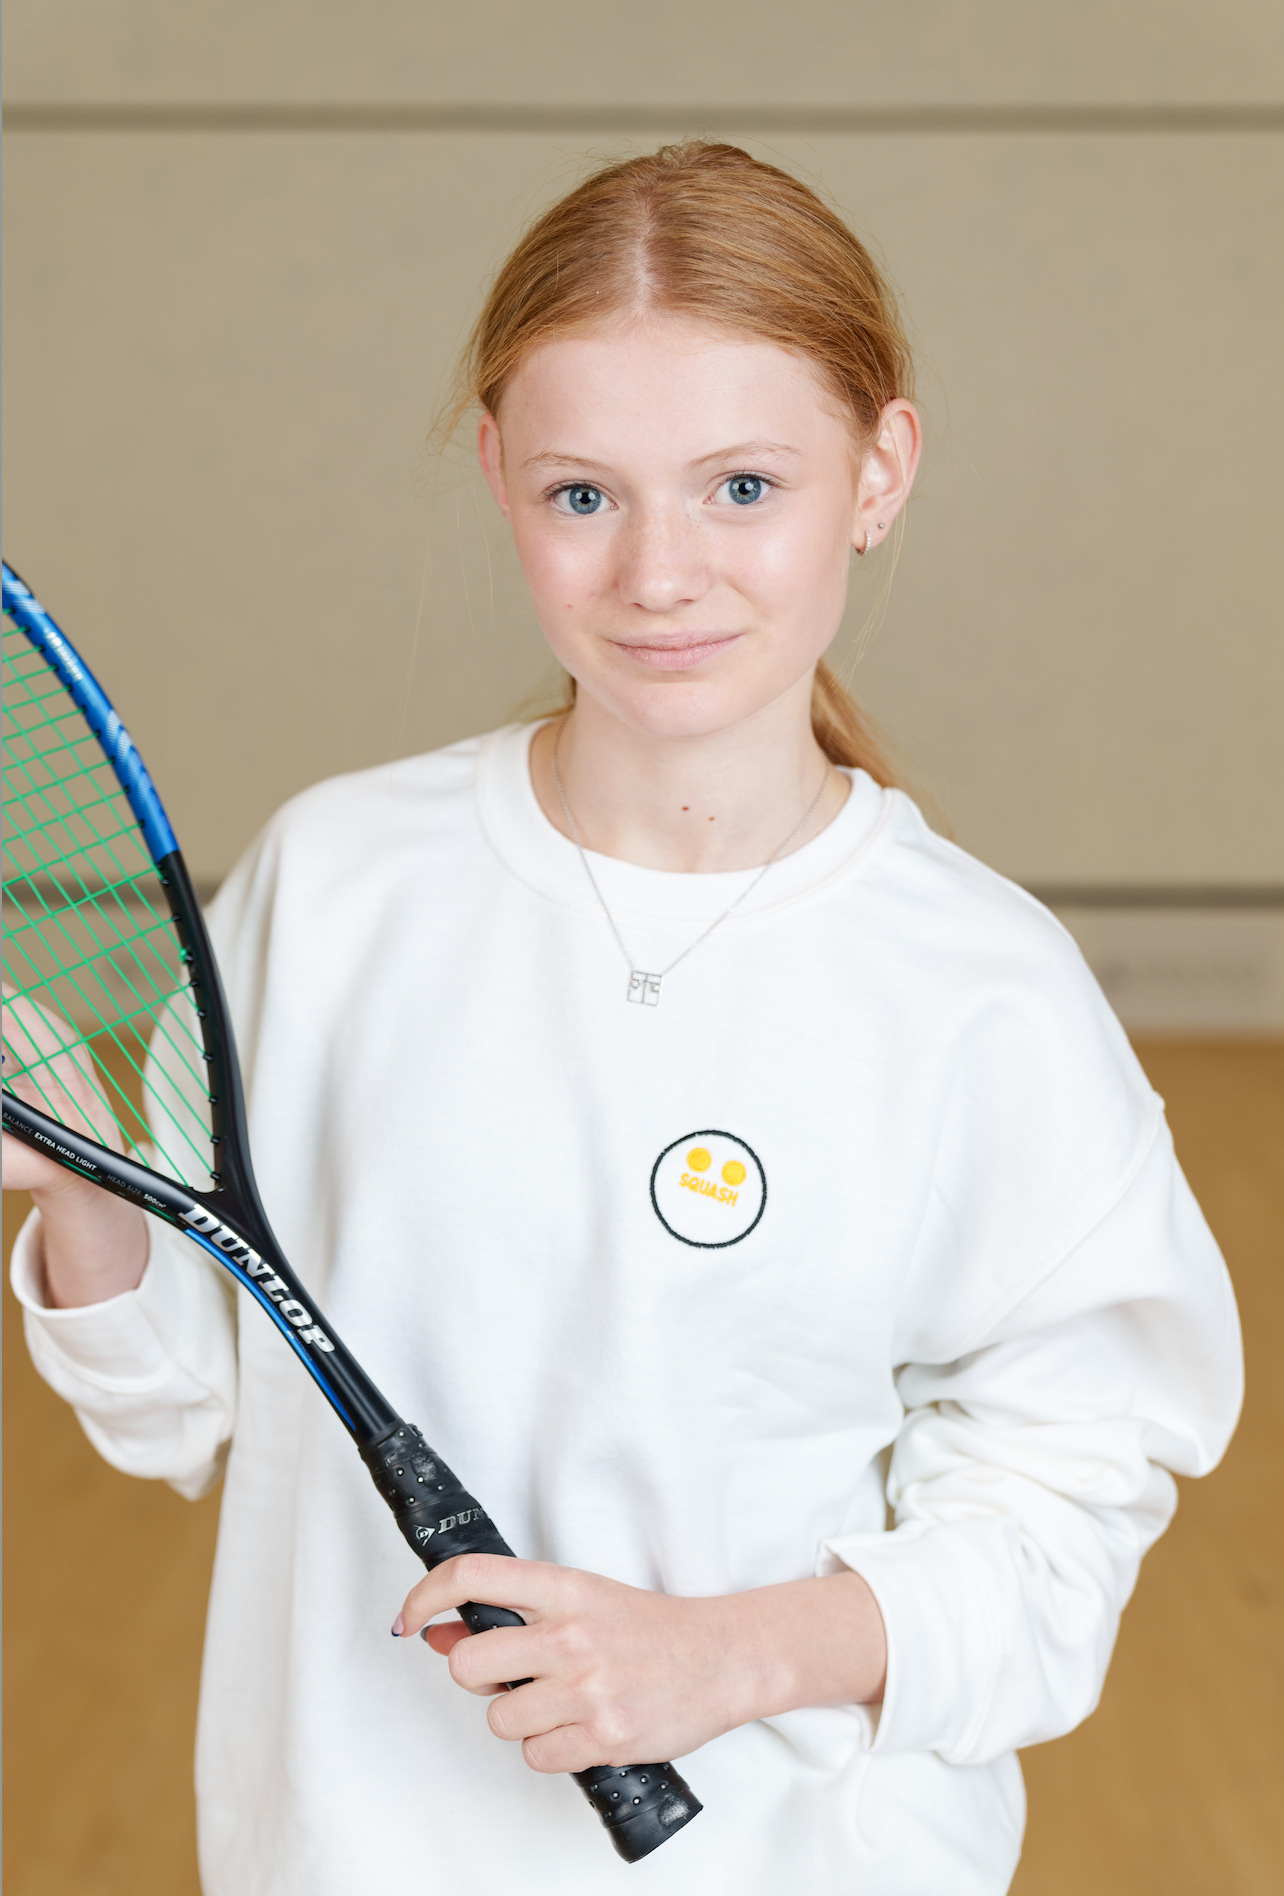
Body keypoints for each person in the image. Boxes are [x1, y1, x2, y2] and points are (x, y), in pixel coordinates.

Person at [5, 142, 1242, 1895]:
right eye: (586, 494)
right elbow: (185, 1411)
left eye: (744, 485)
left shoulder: (984, 990)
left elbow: (1063, 1528)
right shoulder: (341, 883)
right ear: (501, 474)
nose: (661, 573)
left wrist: (718, 1655)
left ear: (879, 472)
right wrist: (78, 1187)